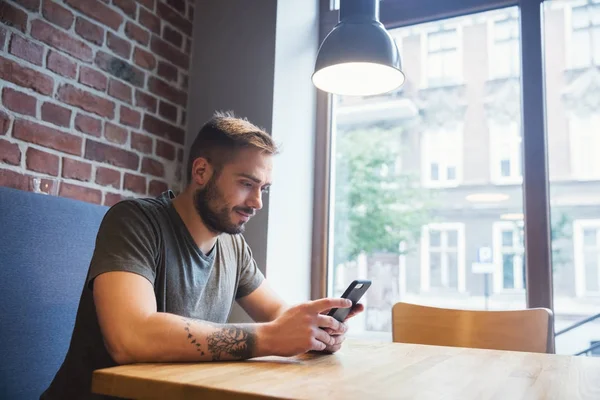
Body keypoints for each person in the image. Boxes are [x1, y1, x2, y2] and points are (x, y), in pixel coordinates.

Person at [40, 111, 364, 399]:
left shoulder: (232, 245)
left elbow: (278, 313)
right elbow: (130, 336)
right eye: (246, 184)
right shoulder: (134, 221)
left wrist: (315, 328)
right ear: (201, 172)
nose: (257, 202)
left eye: (263, 188)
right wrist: (271, 338)